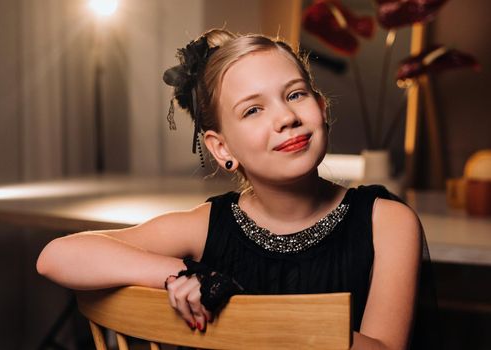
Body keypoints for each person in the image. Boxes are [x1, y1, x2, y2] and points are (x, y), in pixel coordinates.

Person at [37, 29, 426, 350]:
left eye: (295, 94)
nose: (286, 117)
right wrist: (182, 274)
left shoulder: (386, 222)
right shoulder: (207, 225)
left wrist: (255, 317)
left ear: (321, 108)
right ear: (221, 148)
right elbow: (57, 256)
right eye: (253, 110)